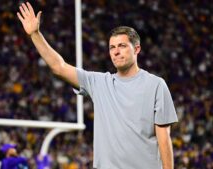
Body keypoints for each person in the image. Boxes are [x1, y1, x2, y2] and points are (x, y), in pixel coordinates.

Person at [17, 2, 178, 169]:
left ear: (137, 49)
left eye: (122, 46)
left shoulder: (156, 85)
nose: (116, 52)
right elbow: (59, 67)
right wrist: (35, 34)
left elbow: (164, 137)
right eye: (112, 47)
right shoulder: (99, 83)